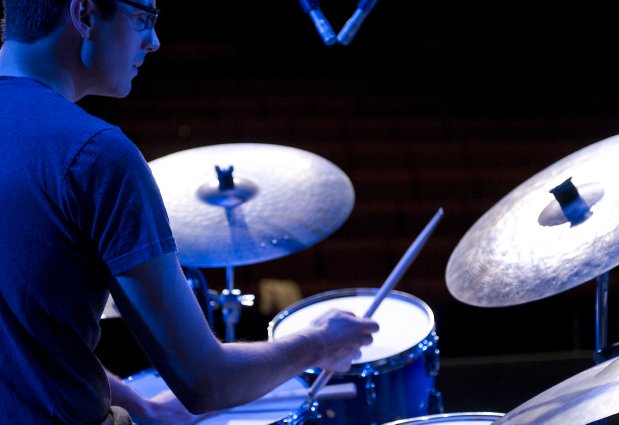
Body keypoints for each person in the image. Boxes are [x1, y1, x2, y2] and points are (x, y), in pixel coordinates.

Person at [0, 0, 380, 423]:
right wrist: (319, 343)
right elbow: (207, 382)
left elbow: (26, 342)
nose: (154, 42)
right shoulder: (93, 155)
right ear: (85, 14)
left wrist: (142, 405)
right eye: (143, 17)